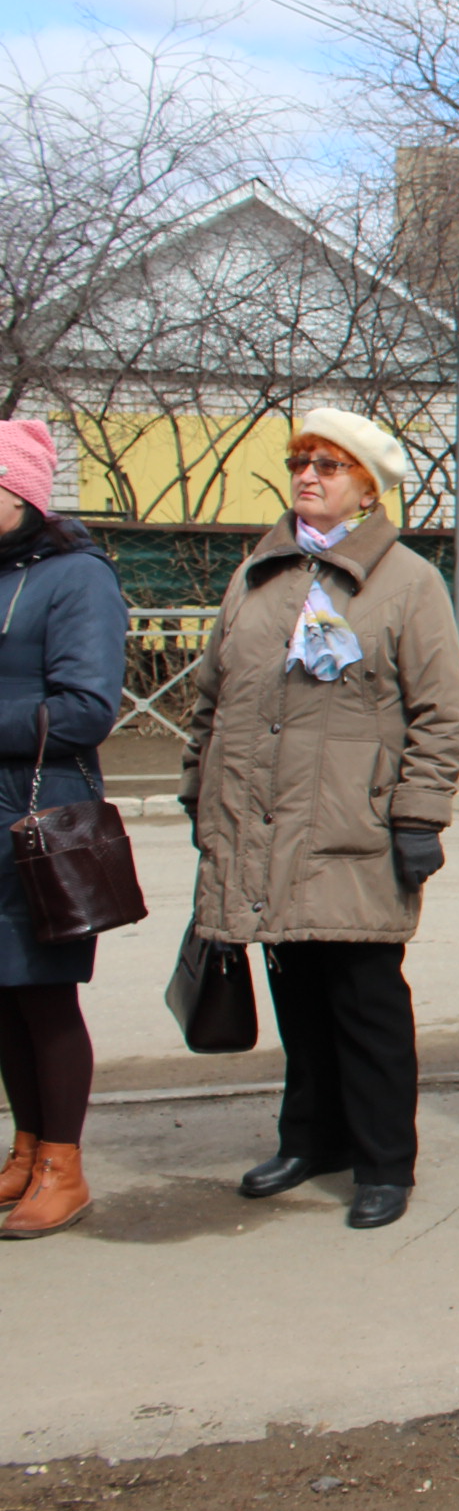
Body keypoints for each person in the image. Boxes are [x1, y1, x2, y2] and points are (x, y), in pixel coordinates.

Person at [181, 409, 459, 1230]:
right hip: (261, 826)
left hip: (354, 827)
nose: (309, 476)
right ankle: (310, 1138)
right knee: (297, 992)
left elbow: (441, 714)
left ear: (368, 487)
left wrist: (418, 814)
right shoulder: (257, 575)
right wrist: (199, 790)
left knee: (365, 998)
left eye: (329, 466)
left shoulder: (406, 582)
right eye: (301, 461)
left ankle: (384, 1161)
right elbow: (213, 697)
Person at [0, 423, 126, 1240]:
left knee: (44, 997)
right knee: (1, 997)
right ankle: (25, 1145)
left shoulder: (78, 579)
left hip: (38, 817)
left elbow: (87, 708)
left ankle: (63, 1165)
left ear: (20, 496)